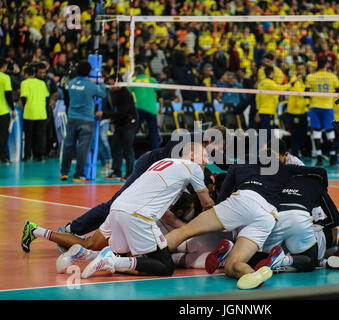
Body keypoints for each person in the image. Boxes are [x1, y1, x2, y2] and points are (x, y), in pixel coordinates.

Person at [21, 142, 214, 278]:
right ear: (191, 155)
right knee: (164, 266)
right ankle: (111, 260)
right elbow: (206, 203)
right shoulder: (193, 168)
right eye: (204, 157)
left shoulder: (161, 163)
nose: (206, 161)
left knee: (91, 244)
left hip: (118, 207)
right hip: (138, 215)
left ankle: (60, 242)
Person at [165, 146, 328, 290]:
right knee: (232, 266)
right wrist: (323, 186)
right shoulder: (283, 168)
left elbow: (223, 197)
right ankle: (250, 274)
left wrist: (217, 215)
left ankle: (153, 255)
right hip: (268, 215)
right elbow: (320, 172)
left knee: (186, 231)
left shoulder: (240, 164)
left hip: (245, 200)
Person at [57, 125, 230, 242]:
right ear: (211, 140)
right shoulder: (186, 143)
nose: (221, 151)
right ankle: (72, 229)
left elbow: (225, 162)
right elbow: (170, 167)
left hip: (162, 174)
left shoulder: (206, 147)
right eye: (220, 146)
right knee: (116, 203)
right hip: (149, 168)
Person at [59, 60, 106, 182]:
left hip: (72, 118)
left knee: (68, 146)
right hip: (86, 119)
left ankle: (64, 172)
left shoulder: (71, 83)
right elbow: (103, 94)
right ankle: (78, 175)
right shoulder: (91, 85)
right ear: (89, 72)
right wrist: (100, 82)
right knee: (82, 148)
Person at [98, 75, 138, 181]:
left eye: (112, 84)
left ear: (119, 82)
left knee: (127, 149)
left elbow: (122, 113)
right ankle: (117, 172)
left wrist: (105, 115)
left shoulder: (126, 93)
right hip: (119, 123)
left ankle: (130, 174)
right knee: (116, 147)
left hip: (129, 123)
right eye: (110, 84)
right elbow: (117, 111)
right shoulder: (113, 92)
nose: (111, 86)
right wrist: (112, 118)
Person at [305, 58, 339, 166]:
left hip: (315, 107)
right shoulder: (332, 76)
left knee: (316, 134)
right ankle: (333, 158)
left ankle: (319, 158)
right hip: (328, 107)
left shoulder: (311, 77)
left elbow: (306, 93)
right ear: (326, 65)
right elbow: (338, 92)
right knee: (330, 134)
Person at [255, 66, 292, 142]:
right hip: (268, 112)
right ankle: (255, 151)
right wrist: (291, 84)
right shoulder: (270, 83)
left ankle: (269, 152)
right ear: (271, 73)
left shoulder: (261, 84)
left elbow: (257, 99)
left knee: (269, 135)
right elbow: (280, 88)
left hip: (263, 112)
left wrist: (258, 111)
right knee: (265, 134)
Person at [129, 64, 162, 152]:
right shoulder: (152, 80)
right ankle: (157, 154)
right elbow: (160, 95)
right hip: (152, 109)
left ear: (135, 72)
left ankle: (128, 151)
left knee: (133, 131)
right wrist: (161, 107)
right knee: (154, 133)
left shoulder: (134, 81)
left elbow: (127, 94)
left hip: (140, 109)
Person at [20, 66, 49, 162]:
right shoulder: (42, 83)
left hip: (29, 113)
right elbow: (47, 97)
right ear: (34, 74)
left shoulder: (24, 83)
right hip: (41, 113)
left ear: (26, 75)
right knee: (40, 136)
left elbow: (24, 97)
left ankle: (27, 155)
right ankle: (40, 155)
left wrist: (24, 107)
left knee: (28, 136)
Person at [0, 58, 15, 164]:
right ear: (4, 66)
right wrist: (13, 109)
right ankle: (3, 158)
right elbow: (8, 95)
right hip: (3, 111)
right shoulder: (5, 78)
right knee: (3, 135)